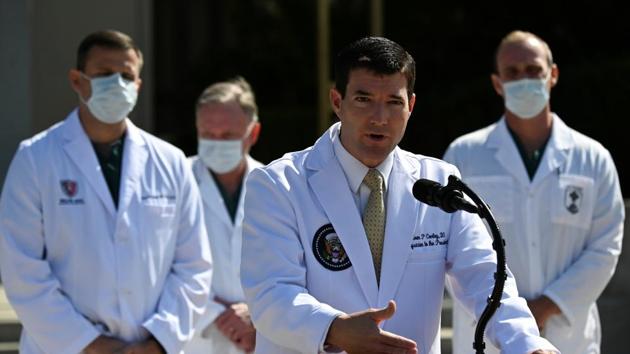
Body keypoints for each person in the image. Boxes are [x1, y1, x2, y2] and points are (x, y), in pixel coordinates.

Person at [240, 36, 558, 354]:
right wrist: (334, 329)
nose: (380, 117)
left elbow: (484, 275)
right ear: (337, 102)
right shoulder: (279, 185)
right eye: (363, 100)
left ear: (411, 106)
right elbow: (270, 294)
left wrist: (526, 343)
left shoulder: (438, 185)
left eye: (394, 102)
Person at [0, 30, 213, 354]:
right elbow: (20, 268)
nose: (117, 84)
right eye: (104, 74)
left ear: (138, 86)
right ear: (77, 80)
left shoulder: (170, 162)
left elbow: (194, 266)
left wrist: (158, 342)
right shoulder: (36, 158)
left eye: (127, 76)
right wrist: (90, 345)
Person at [445, 30, 625, 354]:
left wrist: (547, 305)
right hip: (488, 336)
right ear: (497, 83)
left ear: (552, 75)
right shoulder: (463, 156)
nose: (523, 79)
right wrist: (509, 313)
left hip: (569, 338)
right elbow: (447, 246)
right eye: (512, 73)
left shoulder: (593, 158)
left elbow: (605, 247)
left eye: (533, 70)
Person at [183, 77, 262, 354]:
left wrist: (257, 314)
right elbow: (154, 265)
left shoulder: (275, 187)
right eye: (208, 134)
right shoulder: (174, 182)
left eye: (227, 136)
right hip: (194, 338)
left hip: (259, 338)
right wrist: (216, 314)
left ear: (252, 134)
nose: (217, 143)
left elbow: (296, 267)